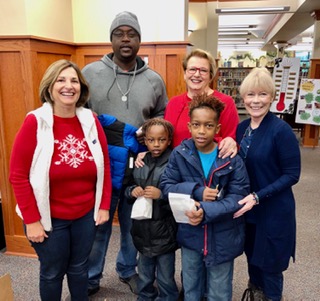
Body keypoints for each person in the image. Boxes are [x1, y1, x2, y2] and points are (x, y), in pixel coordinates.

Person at [9, 59, 112, 301]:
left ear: (81, 87)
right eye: (61, 80)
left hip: (85, 215)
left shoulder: (90, 120)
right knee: (52, 272)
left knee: (79, 269)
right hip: (49, 217)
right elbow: (18, 176)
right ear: (50, 87)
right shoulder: (35, 121)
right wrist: (32, 220)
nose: (69, 86)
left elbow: (104, 165)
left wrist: (104, 205)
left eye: (74, 80)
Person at [82, 11, 168, 295]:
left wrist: (148, 132)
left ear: (140, 40)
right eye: (119, 33)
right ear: (111, 39)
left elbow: (161, 117)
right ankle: (91, 277)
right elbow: (79, 114)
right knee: (98, 224)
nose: (126, 39)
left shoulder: (154, 79)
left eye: (132, 34)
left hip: (137, 162)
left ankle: (126, 270)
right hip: (100, 163)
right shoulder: (90, 73)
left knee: (134, 223)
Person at [160, 94, 250, 301]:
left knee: (219, 290)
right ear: (189, 126)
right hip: (190, 235)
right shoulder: (179, 154)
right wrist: (196, 191)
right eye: (197, 125)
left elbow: (239, 196)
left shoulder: (230, 158)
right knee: (191, 288)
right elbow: (166, 187)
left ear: (217, 129)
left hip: (223, 237)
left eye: (208, 126)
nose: (202, 131)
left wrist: (206, 211)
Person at [233, 67, 301, 301]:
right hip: (248, 210)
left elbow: (292, 174)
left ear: (271, 97)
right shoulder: (241, 129)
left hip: (273, 210)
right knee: (252, 258)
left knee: (270, 265)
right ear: (243, 98)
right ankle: (256, 293)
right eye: (251, 95)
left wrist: (258, 196)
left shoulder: (281, 131)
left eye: (262, 94)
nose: (256, 101)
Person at [125, 118, 179, 301]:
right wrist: (132, 191)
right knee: (145, 274)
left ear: (169, 140)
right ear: (145, 140)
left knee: (165, 276)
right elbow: (127, 186)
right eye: (151, 140)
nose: (156, 144)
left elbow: (182, 194)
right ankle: (145, 297)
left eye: (162, 140)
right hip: (142, 230)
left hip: (165, 232)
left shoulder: (175, 162)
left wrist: (162, 194)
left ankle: (168, 298)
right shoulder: (138, 162)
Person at [165, 48, 239, 155]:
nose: (196, 74)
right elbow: (166, 139)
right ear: (185, 73)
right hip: (178, 167)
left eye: (203, 70)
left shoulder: (226, 102)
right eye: (192, 69)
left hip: (212, 166)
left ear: (210, 76)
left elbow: (231, 140)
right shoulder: (173, 103)